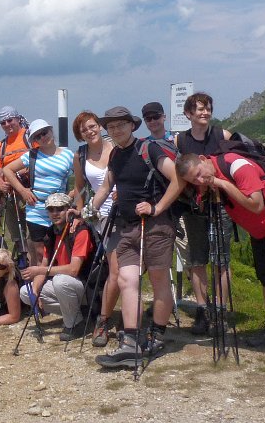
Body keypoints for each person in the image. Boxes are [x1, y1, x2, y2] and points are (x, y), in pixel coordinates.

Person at [174, 153, 265, 368]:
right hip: (260, 229)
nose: (200, 180)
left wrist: (222, 184)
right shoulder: (209, 181)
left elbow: (256, 204)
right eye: (194, 180)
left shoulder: (237, 166)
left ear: (203, 160)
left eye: (199, 173)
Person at [90, 107, 183, 368]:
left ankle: (157, 334)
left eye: (121, 125)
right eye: (111, 126)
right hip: (128, 227)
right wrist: (88, 210)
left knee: (158, 281)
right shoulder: (115, 155)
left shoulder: (148, 149)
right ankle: (130, 342)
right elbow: (106, 187)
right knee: (126, 279)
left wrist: (157, 207)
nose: (116, 130)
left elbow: (178, 178)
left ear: (132, 126)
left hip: (156, 227)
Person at [175, 92, 234, 335]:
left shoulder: (223, 135)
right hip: (194, 206)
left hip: (220, 204)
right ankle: (202, 310)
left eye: (207, 108)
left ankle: (219, 311)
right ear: (188, 114)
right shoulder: (180, 140)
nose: (205, 112)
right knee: (197, 259)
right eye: (199, 109)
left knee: (221, 260)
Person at [71, 111, 120, 347]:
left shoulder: (117, 147)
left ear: (99, 126)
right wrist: (80, 213)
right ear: (80, 135)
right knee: (116, 270)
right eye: (84, 130)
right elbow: (79, 186)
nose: (90, 131)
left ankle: (125, 318)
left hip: (126, 211)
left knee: (126, 271)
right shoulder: (80, 155)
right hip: (102, 217)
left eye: (92, 126)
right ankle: (104, 319)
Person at [19, 193, 95, 340]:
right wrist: (35, 292)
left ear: (69, 210)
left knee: (60, 280)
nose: (55, 213)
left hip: (84, 286)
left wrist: (40, 270)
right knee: (25, 292)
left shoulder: (80, 231)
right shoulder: (51, 233)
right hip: (66, 286)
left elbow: (73, 270)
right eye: (51, 209)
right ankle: (78, 313)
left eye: (60, 209)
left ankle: (75, 324)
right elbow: (44, 264)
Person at [2, 119, 73, 268]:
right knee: (40, 251)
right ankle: (41, 279)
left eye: (44, 133)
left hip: (59, 209)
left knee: (60, 248)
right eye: (37, 136)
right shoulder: (32, 155)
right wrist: (23, 191)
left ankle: (56, 278)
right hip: (36, 208)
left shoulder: (68, 155)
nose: (42, 137)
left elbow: (81, 179)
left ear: (51, 131)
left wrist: (69, 198)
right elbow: (7, 170)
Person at [0, 106, 31, 256]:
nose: (7, 124)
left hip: (29, 190)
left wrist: (15, 174)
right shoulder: (1, 146)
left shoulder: (29, 137)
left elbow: (38, 161)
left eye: (10, 120)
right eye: (3, 122)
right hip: (10, 194)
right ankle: (22, 258)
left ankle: (33, 260)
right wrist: (1, 185)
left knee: (33, 231)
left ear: (18, 119)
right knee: (16, 232)